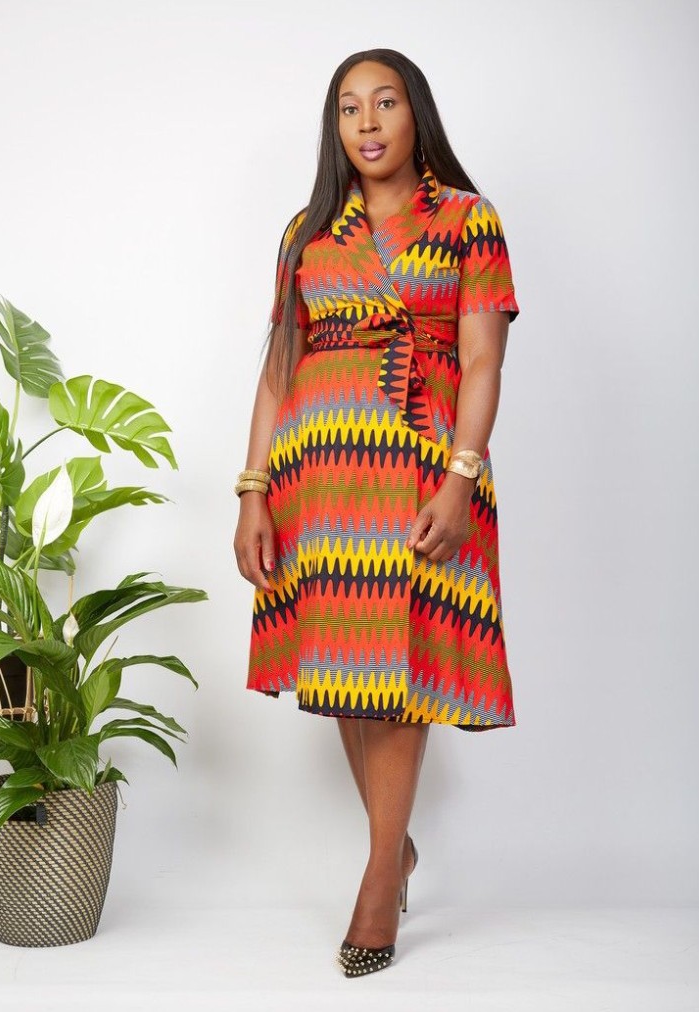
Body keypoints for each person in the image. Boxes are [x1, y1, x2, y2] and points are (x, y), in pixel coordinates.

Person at [233, 48, 520, 977]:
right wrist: (251, 492)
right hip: (318, 480)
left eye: (384, 102)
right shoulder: (309, 232)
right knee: (347, 674)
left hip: (420, 468)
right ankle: (394, 853)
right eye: (349, 107)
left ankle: (375, 879)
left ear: (415, 113)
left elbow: (482, 359)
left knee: (397, 675)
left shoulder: (467, 220)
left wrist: (460, 477)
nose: (366, 122)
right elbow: (278, 370)